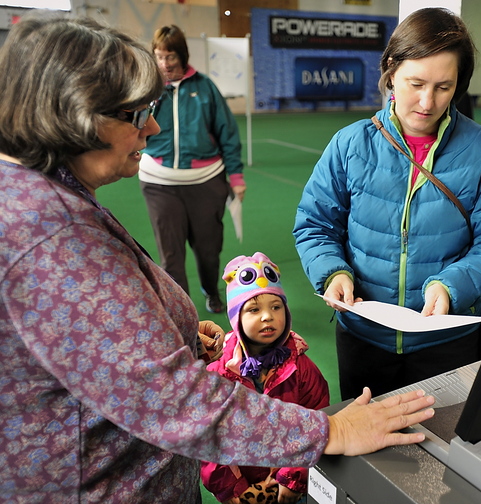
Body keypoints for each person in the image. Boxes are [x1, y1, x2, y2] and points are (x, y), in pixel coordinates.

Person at [0, 12, 437, 503]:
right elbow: (172, 401)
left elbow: (90, 346)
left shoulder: (43, 195)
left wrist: (174, 328)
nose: (153, 125)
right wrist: (329, 432)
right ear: (73, 116)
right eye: (134, 113)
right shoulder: (53, 237)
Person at [293, 8, 481, 401]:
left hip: (449, 341)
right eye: (414, 83)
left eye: (443, 87)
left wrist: (452, 286)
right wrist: (333, 272)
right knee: (367, 455)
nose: (426, 101)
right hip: (362, 338)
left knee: (445, 445)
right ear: (390, 70)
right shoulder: (350, 144)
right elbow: (315, 224)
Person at [201, 252, 330, 504]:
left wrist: (293, 478)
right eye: (253, 309)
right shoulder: (218, 376)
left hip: (291, 486)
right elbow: (209, 441)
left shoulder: (301, 368)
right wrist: (233, 491)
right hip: (243, 490)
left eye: (276, 307)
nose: (267, 316)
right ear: (236, 319)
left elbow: (319, 422)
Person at [139, 24, 245, 314]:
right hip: (158, 182)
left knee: (209, 251)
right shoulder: (147, 89)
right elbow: (133, 127)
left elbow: (227, 132)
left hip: (206, 180)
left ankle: (211, 291)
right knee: (170, 256)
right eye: (159, 56)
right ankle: (182, 309)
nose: (165, 63)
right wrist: (153, 95)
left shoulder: (205, 87)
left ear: (182, 56)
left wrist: (235, 176)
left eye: (170, 56)